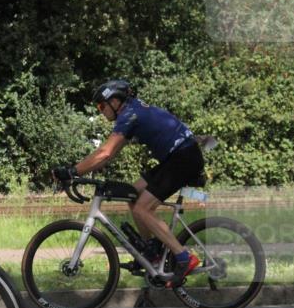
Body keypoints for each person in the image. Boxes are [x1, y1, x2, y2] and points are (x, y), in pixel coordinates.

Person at [60, 80, 205, 288]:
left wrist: (72, 171)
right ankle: (152, 251)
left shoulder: (130, 115)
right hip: (178, 156)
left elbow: (105, 152)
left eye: (102, 106)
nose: (101, 111)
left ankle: (183, 257)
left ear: (116, 101)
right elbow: (108, 155)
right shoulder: (132, 111)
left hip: (183, 157)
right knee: (132, 194)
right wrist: (83, 169)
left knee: (142, 208)